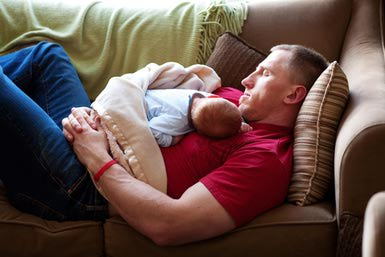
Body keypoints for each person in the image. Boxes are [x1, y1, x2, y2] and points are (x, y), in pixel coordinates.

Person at [0, 41, 329, 246]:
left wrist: (96, 156)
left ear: (293, 94)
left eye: (264, 74)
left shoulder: (265, 159)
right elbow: (160, 98)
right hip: (97, 133)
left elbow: (170, 225)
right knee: (46, 56)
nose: (247, 79)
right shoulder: (232, 100)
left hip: (83, 186)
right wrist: (97, 115)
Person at [144, 88, 248, 147]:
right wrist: (172, 140)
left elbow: (224, 114)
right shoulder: (179, 121)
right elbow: (153, 129)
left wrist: (238, 124)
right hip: (140, 104)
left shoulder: (198, 95)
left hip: (149, 93)